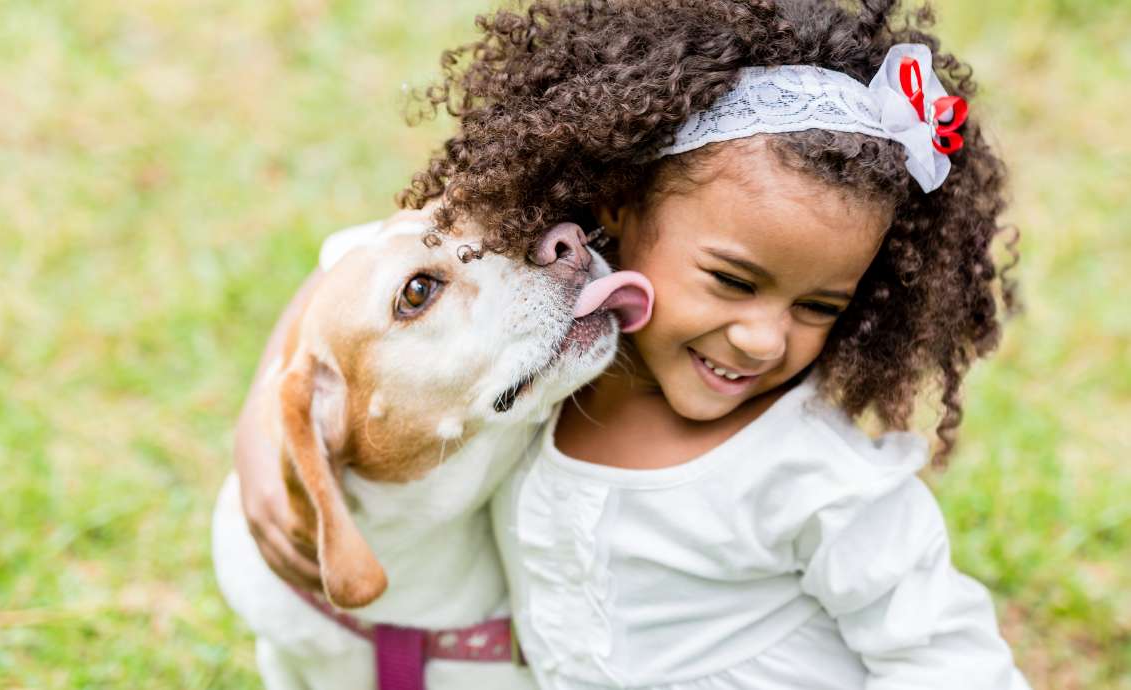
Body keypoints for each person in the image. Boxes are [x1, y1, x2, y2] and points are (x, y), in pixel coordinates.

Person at [234, 0, 1028, 687]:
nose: (762, 337)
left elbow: (950, 658)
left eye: (820, 305)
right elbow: (373, 262)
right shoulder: (547, 345)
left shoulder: (816, 477)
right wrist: (273, 418)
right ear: (613, 202)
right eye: (731, 280)